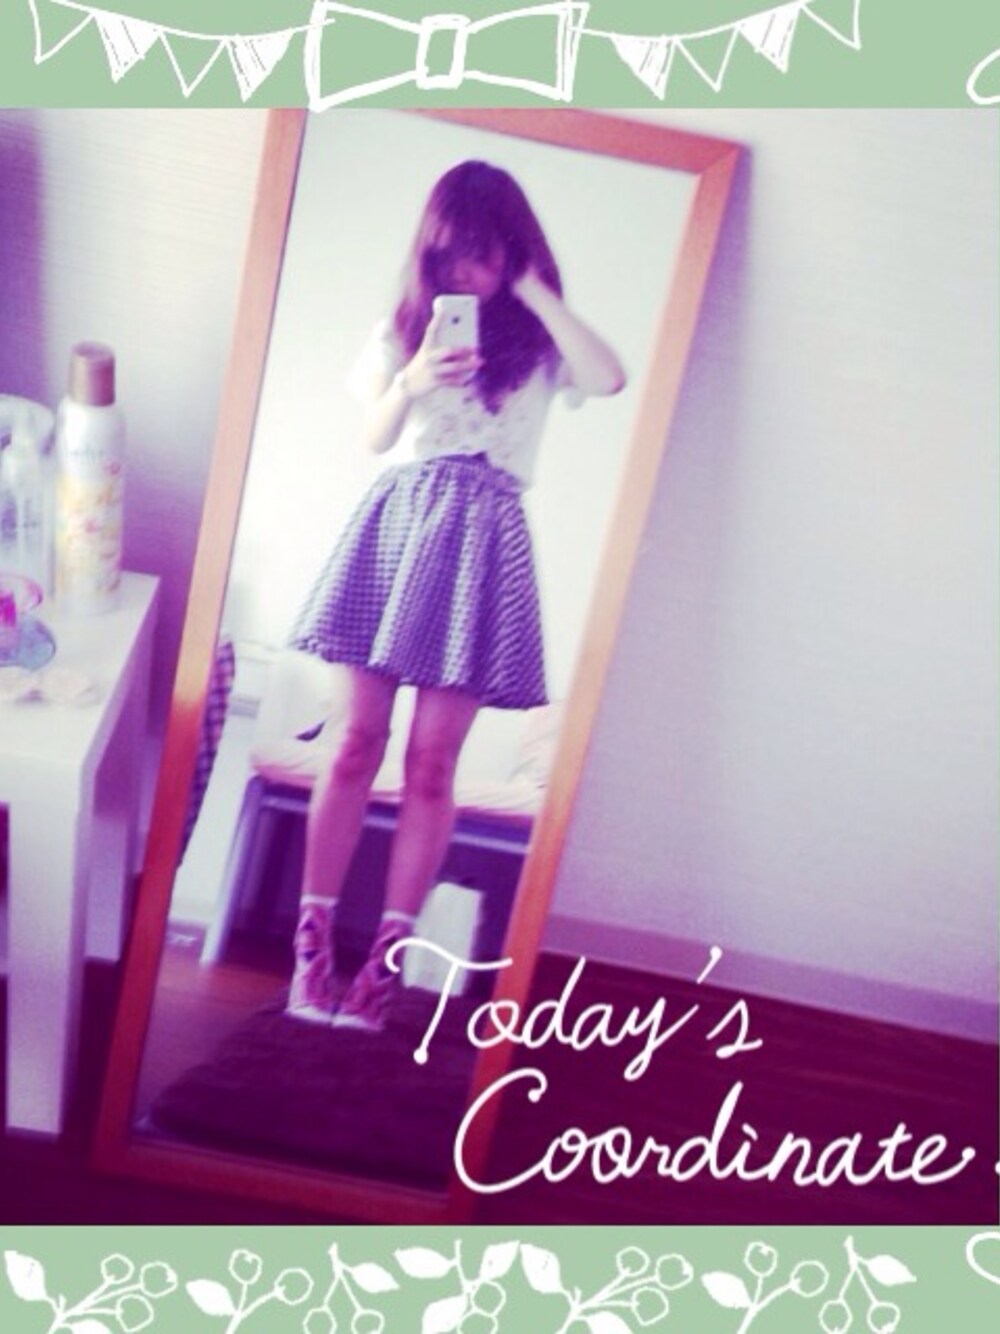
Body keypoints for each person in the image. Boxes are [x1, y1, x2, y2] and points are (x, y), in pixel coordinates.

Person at [285, 159, 625, 1030]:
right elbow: (374, 437)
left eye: (482, 253)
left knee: (432, 764)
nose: (465, 272)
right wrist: (412, 381)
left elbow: (610, 377)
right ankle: (311, 958)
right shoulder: (406, 330)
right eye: (450, 255)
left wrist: (536, 290)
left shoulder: (542, 343)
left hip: (486, 542)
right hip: (398, 527)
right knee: (355, 743)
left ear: (512, 248)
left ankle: (382, 971)